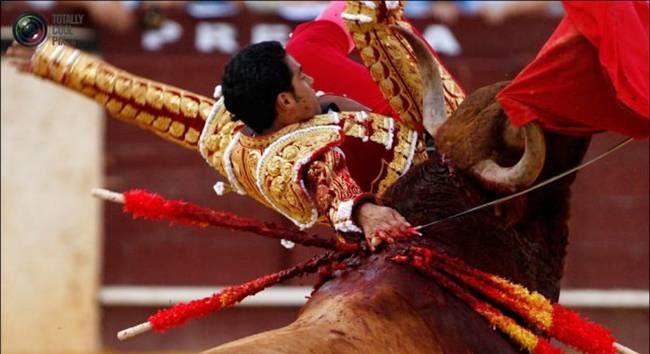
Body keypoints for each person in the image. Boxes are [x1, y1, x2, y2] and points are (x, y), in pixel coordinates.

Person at [6, 1, 465, 250]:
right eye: (301, 79)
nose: (310, 79)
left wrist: (57, 62)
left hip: (370, 129)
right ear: (286, 102)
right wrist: (365, 213)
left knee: (307, 41)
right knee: (375, 23)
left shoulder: (231, 134)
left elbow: (151, 102)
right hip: (432, 156)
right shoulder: (291, 161)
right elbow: (326, 178)